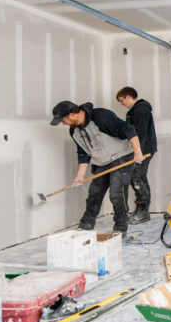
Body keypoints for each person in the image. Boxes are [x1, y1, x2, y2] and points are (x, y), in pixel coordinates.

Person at [50, 100, 143, 233]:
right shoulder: (74, 131)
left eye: (63, 120)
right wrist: (80, 175)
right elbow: (83, 152)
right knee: (94, 193)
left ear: (71, 114)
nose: (63, 123)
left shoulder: (100, 117)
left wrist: (137, 152)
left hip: (121, 157)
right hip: (100, 162)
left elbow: (128, 129)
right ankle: (86, 224)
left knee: (116, 194)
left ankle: (120, 227)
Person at [115, 86, 157, 223]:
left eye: (122, 101)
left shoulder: (140, 110)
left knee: (136, 177)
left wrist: (138, 153)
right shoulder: (136, 110)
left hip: (144, 151)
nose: (122, 104)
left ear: (128, 96)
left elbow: (141, 133)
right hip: (143, 150)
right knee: (140, 177)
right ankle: (141, 210)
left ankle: (143, 211)